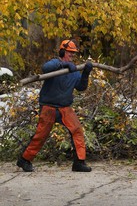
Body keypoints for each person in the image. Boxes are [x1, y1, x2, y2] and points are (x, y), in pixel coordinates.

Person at [17, 39, 93, 172]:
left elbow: (81, 87)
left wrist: (86, 73)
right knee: (41, 135)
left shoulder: (74, 70)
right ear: (63, 51)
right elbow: (45, 68)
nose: (72, 55)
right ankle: (24, 160)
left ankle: (79, 163)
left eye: (73, 53)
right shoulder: (55, 62)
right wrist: (62, 65)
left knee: (77, 131)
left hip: (65, 108)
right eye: (70, 52)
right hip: (48, 107)